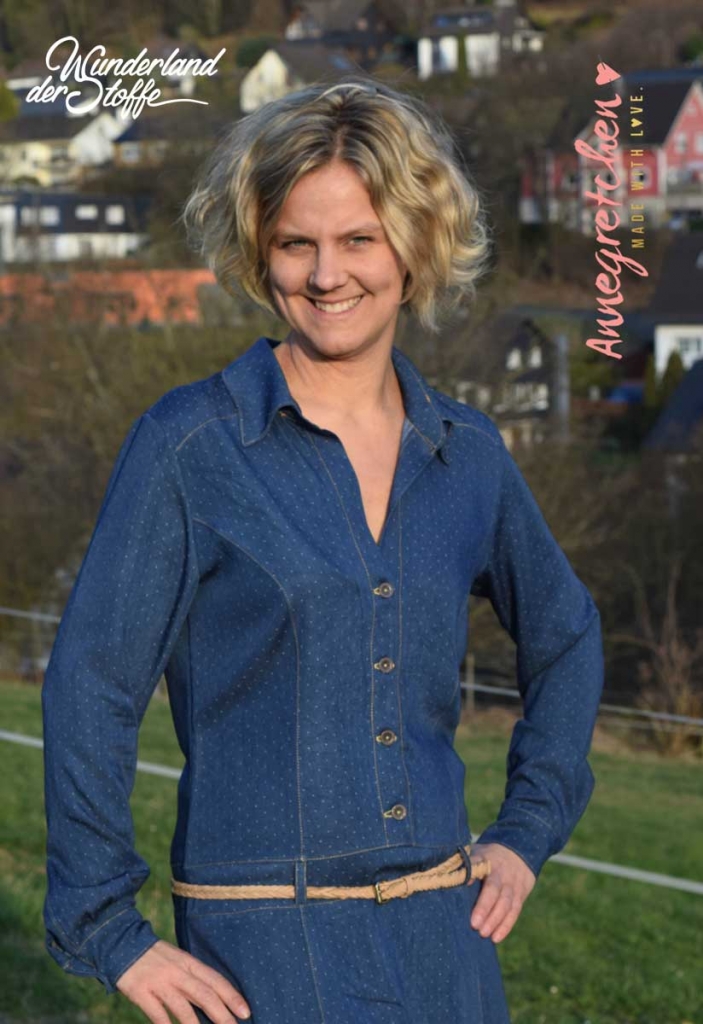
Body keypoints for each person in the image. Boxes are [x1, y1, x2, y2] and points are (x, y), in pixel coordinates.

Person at [41, 75, 605, 1024]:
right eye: (295, 243)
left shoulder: (465, 454)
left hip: (447, 939)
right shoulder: (192, 446)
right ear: (259, 254)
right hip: (262, 945)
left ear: (414, 246)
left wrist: (527, 828)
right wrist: (109, 928)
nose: (325, 274)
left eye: (358, 240)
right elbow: (92, 681)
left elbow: (568, 635)